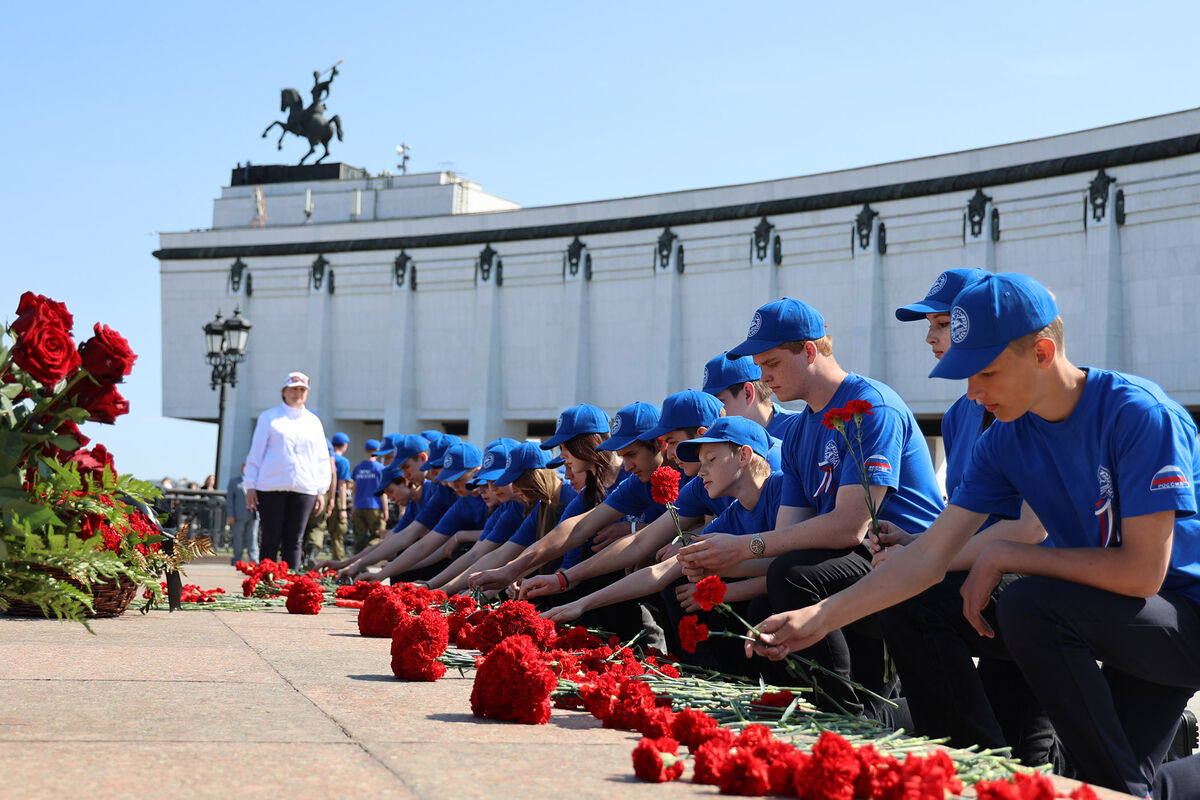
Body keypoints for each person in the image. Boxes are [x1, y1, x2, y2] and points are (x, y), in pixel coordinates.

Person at [746, 273, 1200, 797]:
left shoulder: (1137, 414)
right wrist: (817, 619)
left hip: (1178, 613)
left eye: (985, 372)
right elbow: (927, 558)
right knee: (1110, 785)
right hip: (1115, 616)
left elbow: (1144, 572)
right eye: (966, 376)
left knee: (1030, 607)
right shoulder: (1005, 438)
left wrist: (1007, 553)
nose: (974, 393)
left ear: (1042, 353)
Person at [679, 297, 944, 717]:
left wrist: (742, 548)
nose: (763, 376)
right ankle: (846, 702)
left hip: (909, 555)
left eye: (771, 363)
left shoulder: (868, 405)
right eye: (759, 366)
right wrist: (715, 562)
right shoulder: (803, 429)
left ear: (809, 351)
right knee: (772, 593)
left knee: (793, 575)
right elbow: (787, 537)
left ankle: (847, 712)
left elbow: (849, 528)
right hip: (857, 557)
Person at [876, 268, 1054, 765]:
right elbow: (970, 516)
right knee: (1025, 740)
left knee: (912, 598)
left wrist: (922, 555)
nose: (930, 338)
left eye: (940, 323)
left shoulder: (1032, 404)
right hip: (993, 568)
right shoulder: (960, 413)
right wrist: (916, 542)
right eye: (927, 326)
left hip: (1037, 571)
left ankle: (968, 764)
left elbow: (1028, 529)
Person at [243, 371, 332, 568]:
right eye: (293, 389)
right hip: (270, 486)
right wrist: (250, 485)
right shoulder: (269, 418)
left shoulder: (313, 421)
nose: (297, 393)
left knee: (295, 540)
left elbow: (321, 458)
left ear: (307, 393)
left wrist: (321, 490)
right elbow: (256, 453)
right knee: (270, 539)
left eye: (302, 389)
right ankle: (265, 583)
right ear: (284, 391)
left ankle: (289, 585)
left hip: (304, 487)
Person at [350, 438, 387, 552]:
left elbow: (353, 489)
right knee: (378, 536)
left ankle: (356, 563)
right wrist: (386, 509)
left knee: (359, 538)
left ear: (365, 450)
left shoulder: (358, 467)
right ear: (378, 450)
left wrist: (353, 507)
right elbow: (383, 491)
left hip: (359, 505)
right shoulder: (380, 468)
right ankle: (368, 553)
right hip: (375, 506)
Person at [225, 461, 259, 565]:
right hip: (239, 515)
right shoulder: (234, 481)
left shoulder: (256, 481)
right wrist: (230, 514)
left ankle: (254, 560)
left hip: (253, 514)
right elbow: (230, 500)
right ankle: (237, 559)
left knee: (253, 537)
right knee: (238, 538)